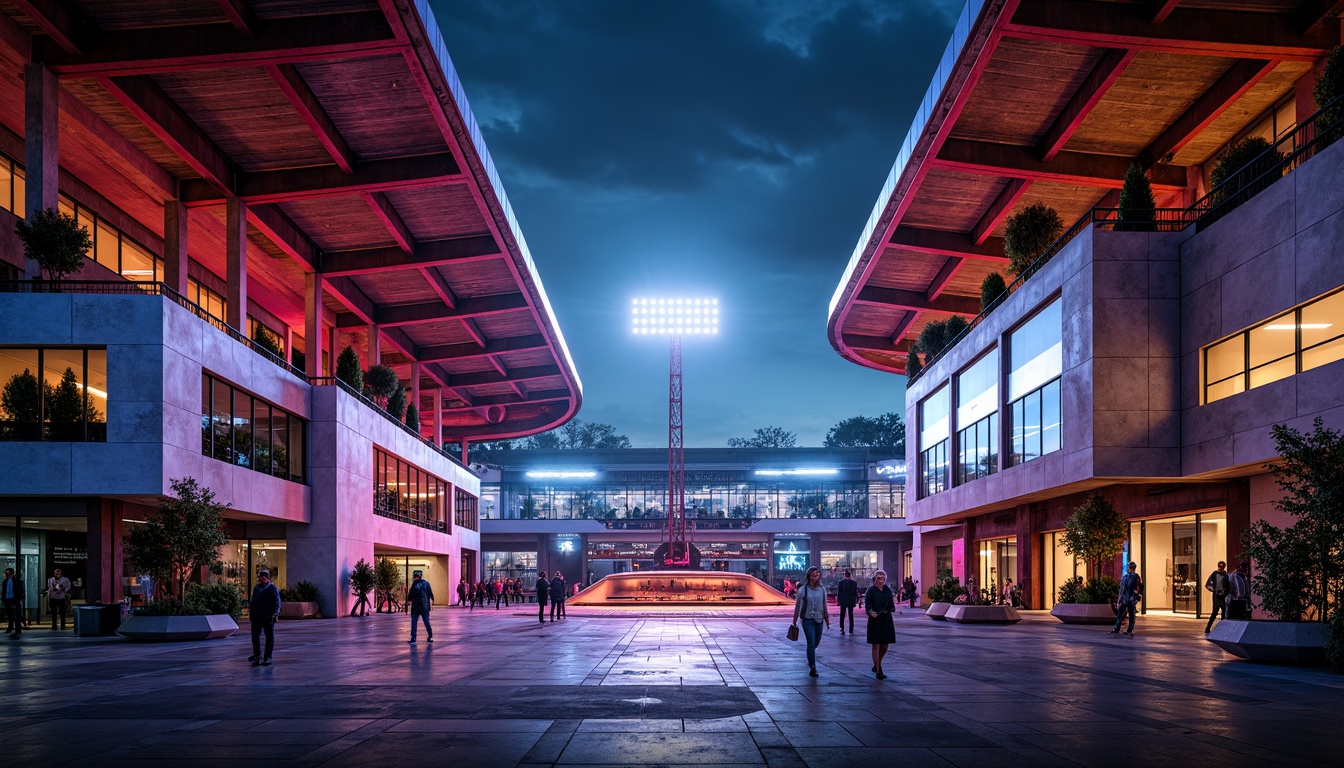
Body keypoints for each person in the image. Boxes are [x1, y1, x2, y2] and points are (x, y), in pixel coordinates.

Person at [790, 566, 830, 677]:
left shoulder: (822, 589)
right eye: (813, 575)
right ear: (809, 576)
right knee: (811, 643)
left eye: (817, 574)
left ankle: (810, 656)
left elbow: (824, 604)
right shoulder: (803, 589)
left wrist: (826, 618)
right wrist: (795, 619)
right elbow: (798, 605)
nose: (815, 577)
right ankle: (812, 667)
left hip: (819, 619)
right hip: (807, 620)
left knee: (816, 642)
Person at [865, 570, 897, 679]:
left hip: (886, 619)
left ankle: (877, 664)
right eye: (879, 578)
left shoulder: (887, 590)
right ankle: (879, 669)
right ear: (875, 579)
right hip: (875, 619)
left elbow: (891, 604)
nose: (881, 581)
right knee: (876, 644)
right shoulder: (871, 590)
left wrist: (891, 608)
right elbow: (868, 605)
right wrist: (871, 612)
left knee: (885, 645)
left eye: (883, 578)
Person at [249, 569, 282, 665]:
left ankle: (268, 657)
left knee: (269, 637)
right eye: (261, 576)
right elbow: (253, 602)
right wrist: (251, 614)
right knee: (255, 636)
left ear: (268, 578)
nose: (262, 578)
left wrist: (276, 613)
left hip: (268, 616)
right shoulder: (257, 588)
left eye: (264, 576)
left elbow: (277, 601)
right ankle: (257, 655)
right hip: (256, 616)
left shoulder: (272, 588)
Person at [1111, 562, 1142, 635]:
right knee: (1123, 613)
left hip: (1129, 598)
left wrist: (1135, 597)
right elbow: (1122, 589)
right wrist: (1119, 599)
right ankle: (1120, 628)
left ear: (1130, 567)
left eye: (1128, 566)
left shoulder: (1134, 577)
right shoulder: (1126, 577)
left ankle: (1124, 629)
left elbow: (1138, 588)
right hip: (1126, 598)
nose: (1128, 567)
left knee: (1129, 614)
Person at [406, 570, 433, 644]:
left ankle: (413, 638)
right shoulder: (426, 583)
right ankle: (430, 636)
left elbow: (410, 595)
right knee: (426, 621)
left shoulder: (414, 584)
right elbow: (430, 594)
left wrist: (409, 600)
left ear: (415, 576)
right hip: (425, 605)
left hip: (416, 606)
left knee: (414, 622)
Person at [1203, 561, 1230, 633]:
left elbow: (1228, 586)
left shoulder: (1225, 575)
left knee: (1224, 613)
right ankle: (1208, 628)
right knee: (1214, 612)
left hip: (1223, 596)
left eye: (1222, 566)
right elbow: (1208, 585)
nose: (1221, 567)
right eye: (1220, 566)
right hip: (1217, 596)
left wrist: (1225, 592)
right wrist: (1215, 590)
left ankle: (1222, 629)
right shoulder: (1215, 574)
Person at [836, 569, 858, 635]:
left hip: (843, 600)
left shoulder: (841, 582)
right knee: (851, 615)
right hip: (851, 601)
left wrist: (838, 601)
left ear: (844, 575)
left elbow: (839, 592)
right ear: (850, 575)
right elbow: (855, 592)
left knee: (842, 615)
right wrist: (856, 600)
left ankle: (842, 629)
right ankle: (851, 629)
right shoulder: (854, 583)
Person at [2, 568, 23, 636]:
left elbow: (20, 591)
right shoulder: (5, 581)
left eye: (7, 573)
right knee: (9, 614)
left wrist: (19, 599)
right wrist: (3, 598)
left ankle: (17, 628)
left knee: (17, 615)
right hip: (7, 599)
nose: (6, 574)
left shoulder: (17, 581)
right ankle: (10, 627)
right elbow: (4, 590)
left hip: (15, 599)